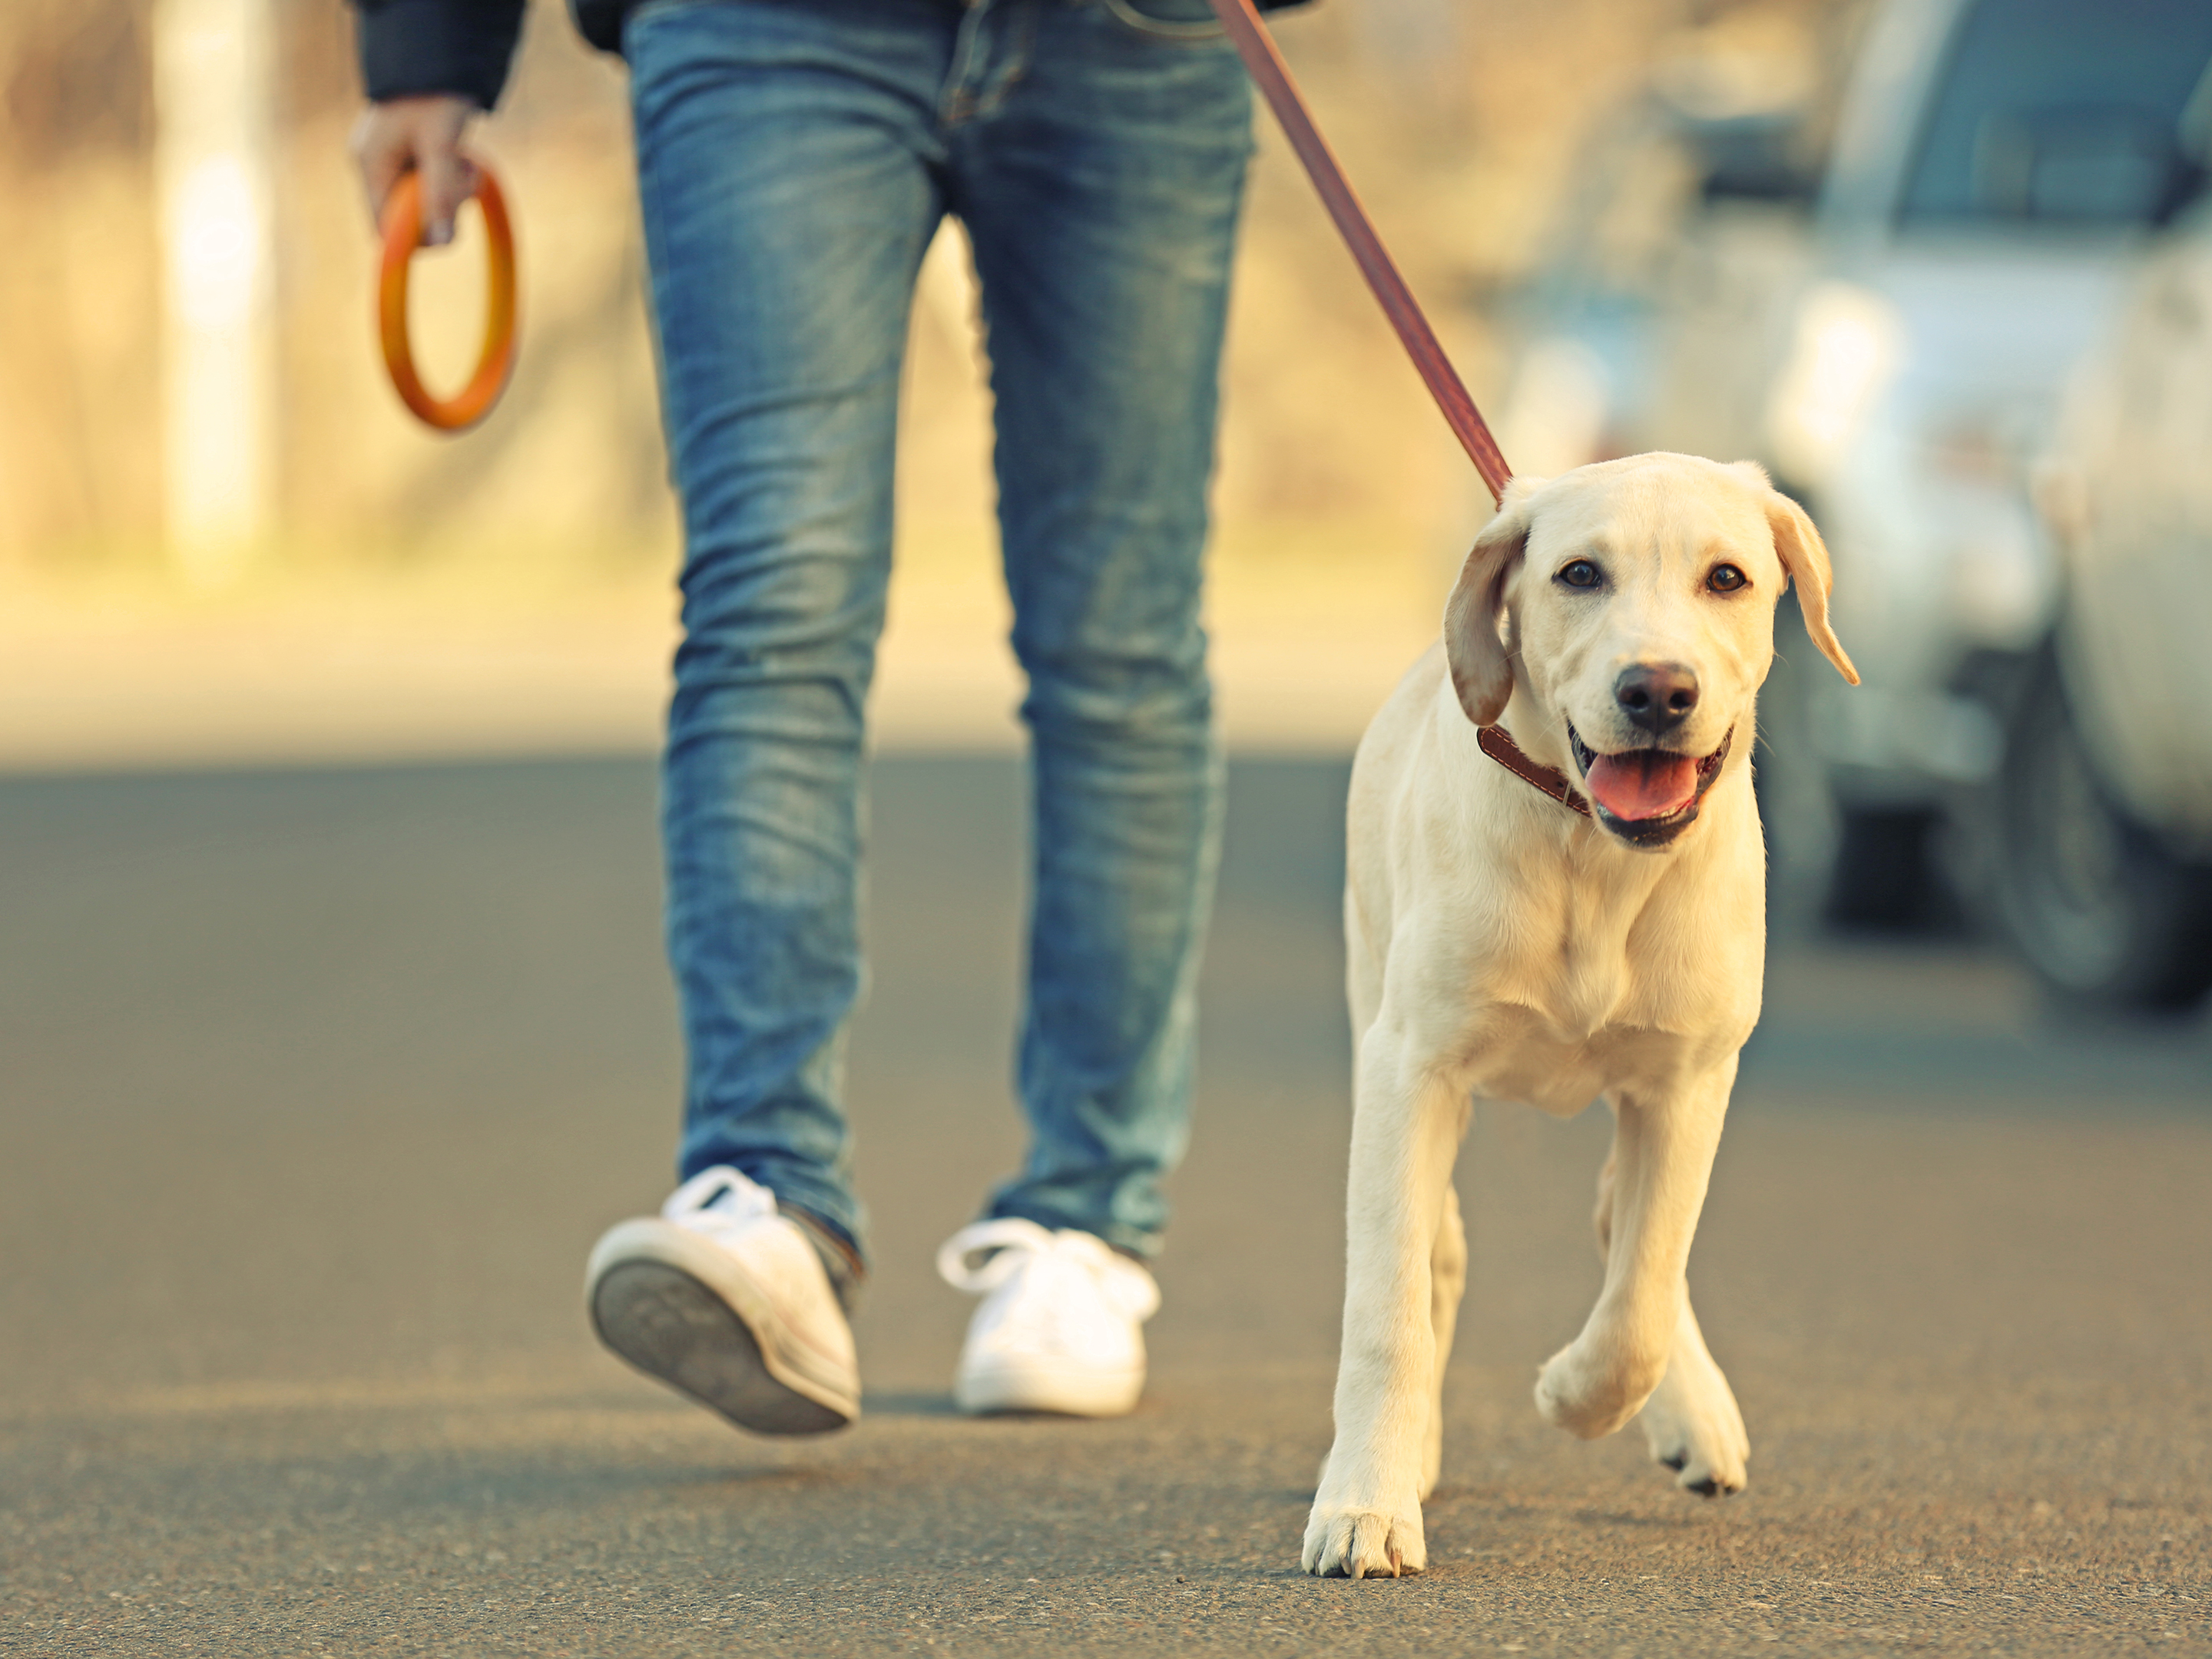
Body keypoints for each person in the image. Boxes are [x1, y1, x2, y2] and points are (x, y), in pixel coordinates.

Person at [350, 0, 1282, 1434]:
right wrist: (429, 50)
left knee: (1122, 641)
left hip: (1132, 32)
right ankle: (764, 1199)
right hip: (763, 27)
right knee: (769, 603)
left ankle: (1086, 1229)